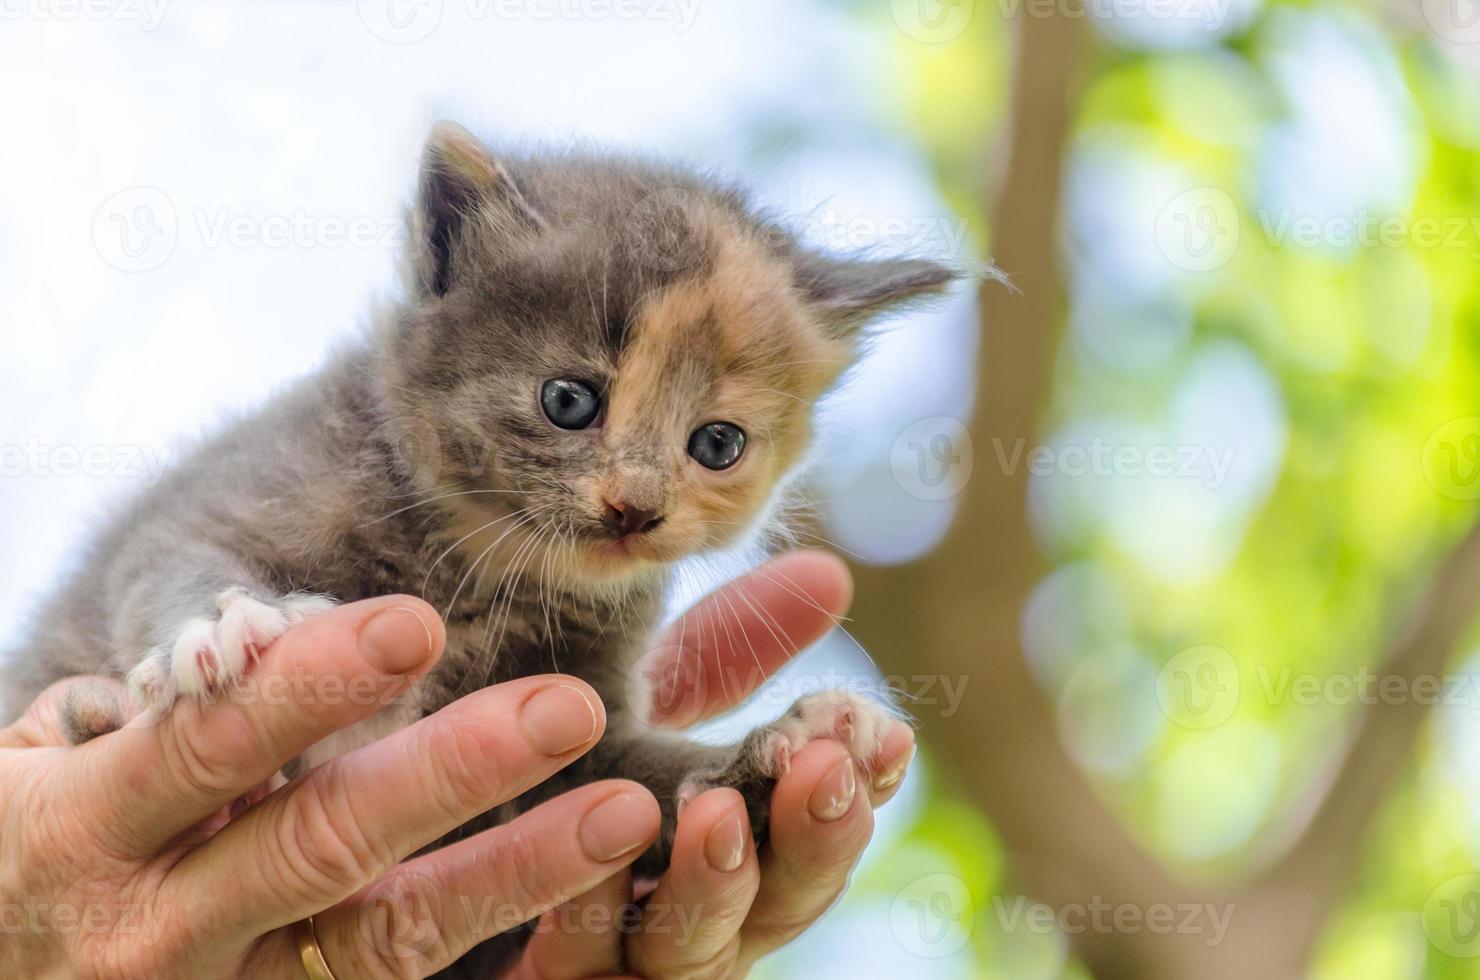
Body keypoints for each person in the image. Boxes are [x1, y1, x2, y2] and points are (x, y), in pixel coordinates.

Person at [0, 551, 915, 979]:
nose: (636, 495)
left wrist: (728, 785)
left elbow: (581, 782)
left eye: (716, 444)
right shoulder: (328, 459)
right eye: (567, 401)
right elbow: (176, 554)